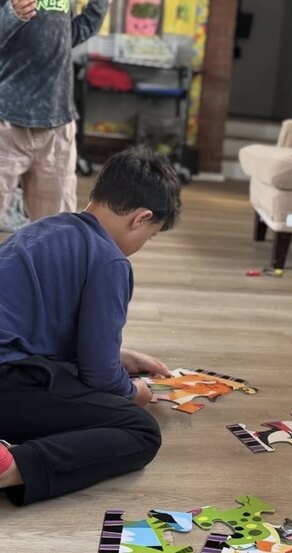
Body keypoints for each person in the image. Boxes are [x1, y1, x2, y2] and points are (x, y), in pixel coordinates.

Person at [0, 147, 181, 505]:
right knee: (140, 430)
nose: (143, 244)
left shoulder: (42, 229)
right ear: (141, 218)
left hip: (12, 365)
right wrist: (134, 393)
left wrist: (117, 354)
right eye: (151, 235)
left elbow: (42, 325)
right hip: (8, 380)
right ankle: (11, 468)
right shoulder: (110, 260)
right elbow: (99, 375)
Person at [0, 0, 109, 221]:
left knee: (56, 228)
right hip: (5, 121)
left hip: (57, 123)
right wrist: (12, 15)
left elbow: (73, 33)